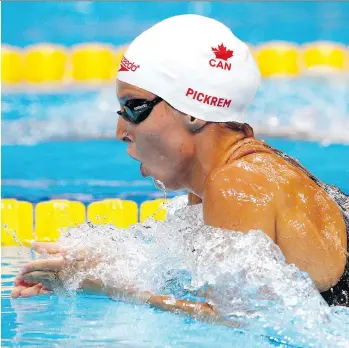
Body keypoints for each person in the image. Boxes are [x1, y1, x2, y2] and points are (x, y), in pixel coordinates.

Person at [12, 14, 349, 317]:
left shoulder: (238, 183)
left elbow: (238, 322)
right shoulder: (218, 177)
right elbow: (195, 283)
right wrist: (94, 265)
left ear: (193, 111)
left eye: (134, 107)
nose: (120, 131)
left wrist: (100, 286)